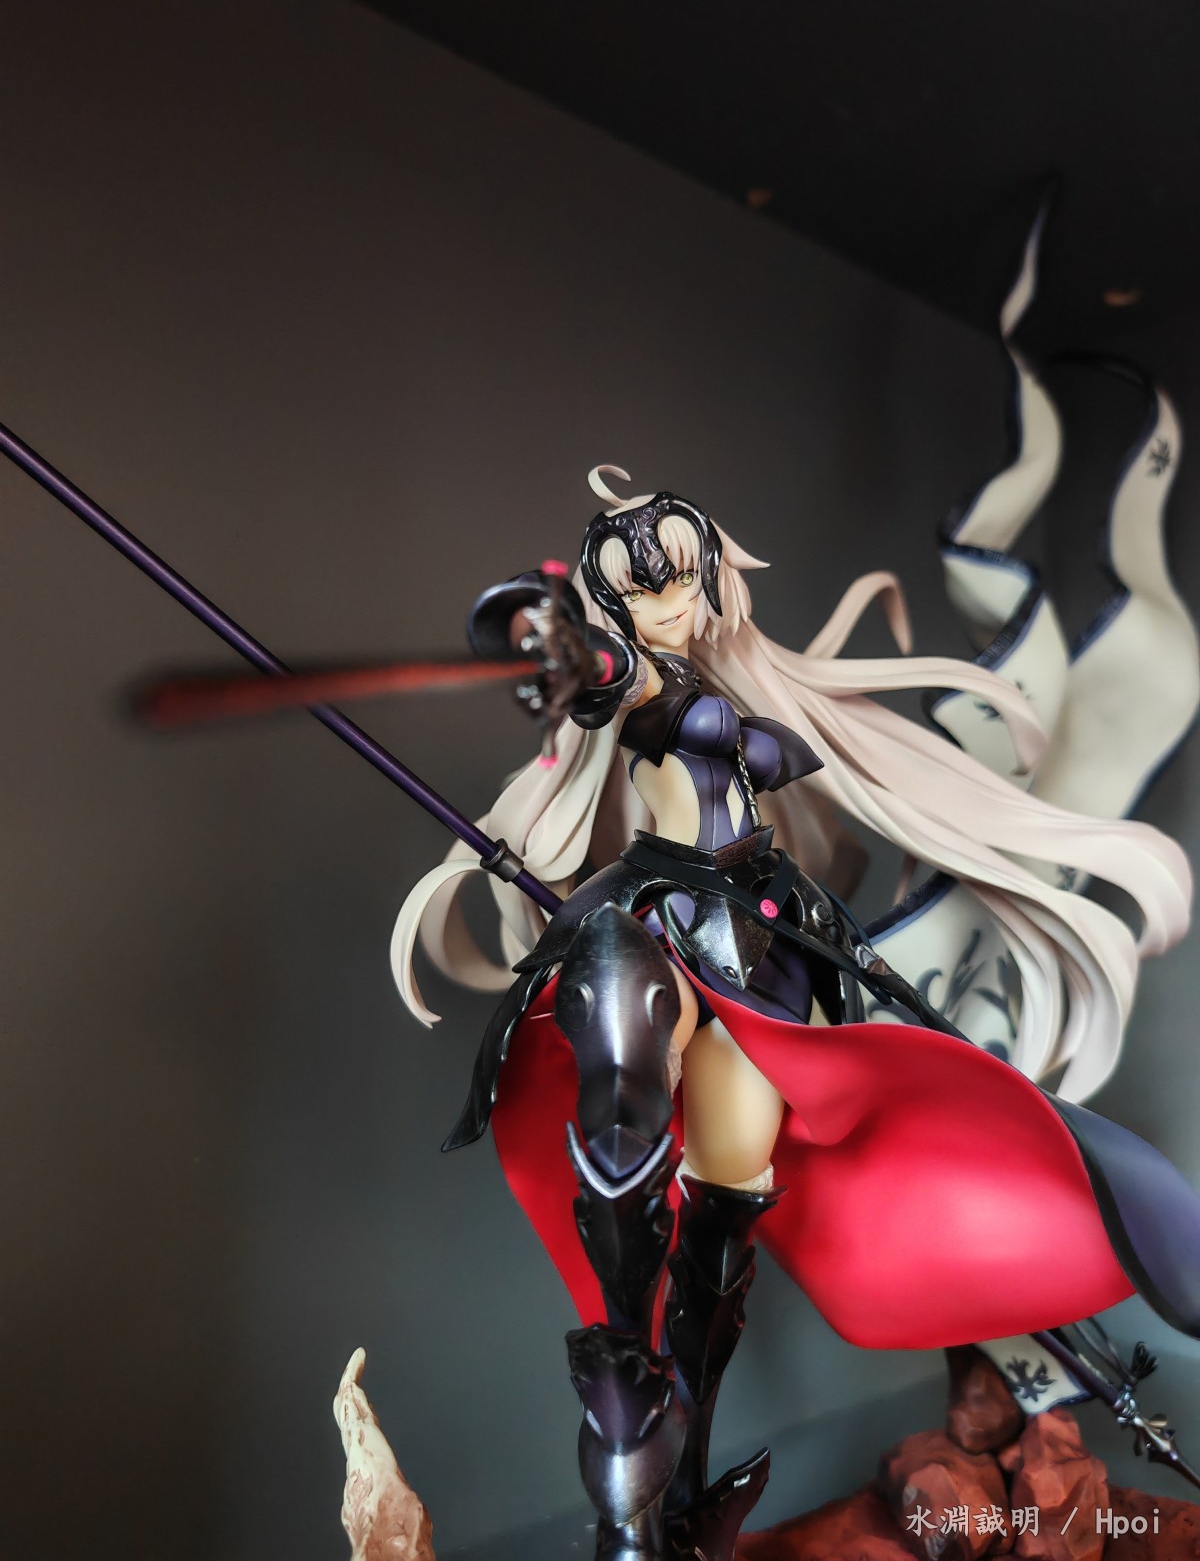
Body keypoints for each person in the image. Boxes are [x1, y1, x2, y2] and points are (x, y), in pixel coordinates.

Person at [391, 470, 1200, 1561]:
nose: (668, 600)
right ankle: (627, 1430)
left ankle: (680, 1486)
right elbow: (600, 675)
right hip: (669, 908)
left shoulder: (731, 676)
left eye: (681, 575)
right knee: (624, 1084)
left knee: (727, 1204)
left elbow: (764, 755)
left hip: (765, 944)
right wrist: (555, 641)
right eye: (642, 586)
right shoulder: (635, 674)